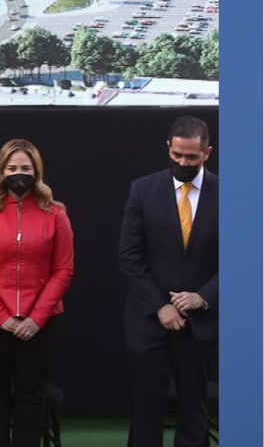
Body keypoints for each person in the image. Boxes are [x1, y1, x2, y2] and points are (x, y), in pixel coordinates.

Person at [0, 139, 73, 447]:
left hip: (39, 323)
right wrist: (2, 318)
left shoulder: (56, 214)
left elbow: (63, 270)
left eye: (25, 168)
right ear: (1, 171)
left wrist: (36, 318)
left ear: (36, 171)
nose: (18, 174)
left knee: (31, 395)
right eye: (12, 168)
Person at [119, 116, 217, 447]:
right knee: (147, 408)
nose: (183, 163)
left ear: (207, 153)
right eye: (177, 155)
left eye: (191, 157)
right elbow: (129, 256)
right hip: (148, 323)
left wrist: (202, 297)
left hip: (200, 324)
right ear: (168, 148)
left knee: (194, 410)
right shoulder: (143, 189)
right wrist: (160, 306)